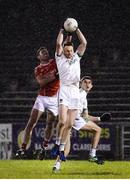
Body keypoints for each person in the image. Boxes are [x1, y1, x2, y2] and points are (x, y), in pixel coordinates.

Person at [53, 76, 111, 172]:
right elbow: (67, 107)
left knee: (67, 147)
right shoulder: (79, 93)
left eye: (89, 83)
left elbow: (86, 117)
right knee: (97, 130)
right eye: (85, 82)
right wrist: (67, 122)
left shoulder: (84, 96)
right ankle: (92, 155)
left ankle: (57, 166)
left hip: (76, 118)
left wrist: (99, 118)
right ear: (80, 84)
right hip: (71, 118)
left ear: (92, 86)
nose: (87, 84)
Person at [16, 47, 60, 159]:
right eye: (42, 53)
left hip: (55, 98)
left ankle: (44, 147)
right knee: (31, 123)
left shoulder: (54, 62)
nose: (45, 53)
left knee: (50, 123)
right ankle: (23, 148)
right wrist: (54, 75)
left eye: (46, 52)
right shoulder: (38, 69)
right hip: (42, 98)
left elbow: (60, 49)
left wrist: (49, 77)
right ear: (38, 57)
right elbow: (41, 82)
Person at [51, 26, 87, 161]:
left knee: (70, 124)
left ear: (73, 50)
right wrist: (61, 30)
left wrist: (76, 30)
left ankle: (60, 149)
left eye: (70, 50)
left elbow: (84, 43)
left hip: (75, 91)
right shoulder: (59, 58)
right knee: (61, 121)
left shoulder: (77, 57)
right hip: (65, 90)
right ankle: (56, 144)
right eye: (66, 51)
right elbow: (58, 44)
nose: (68, 53)